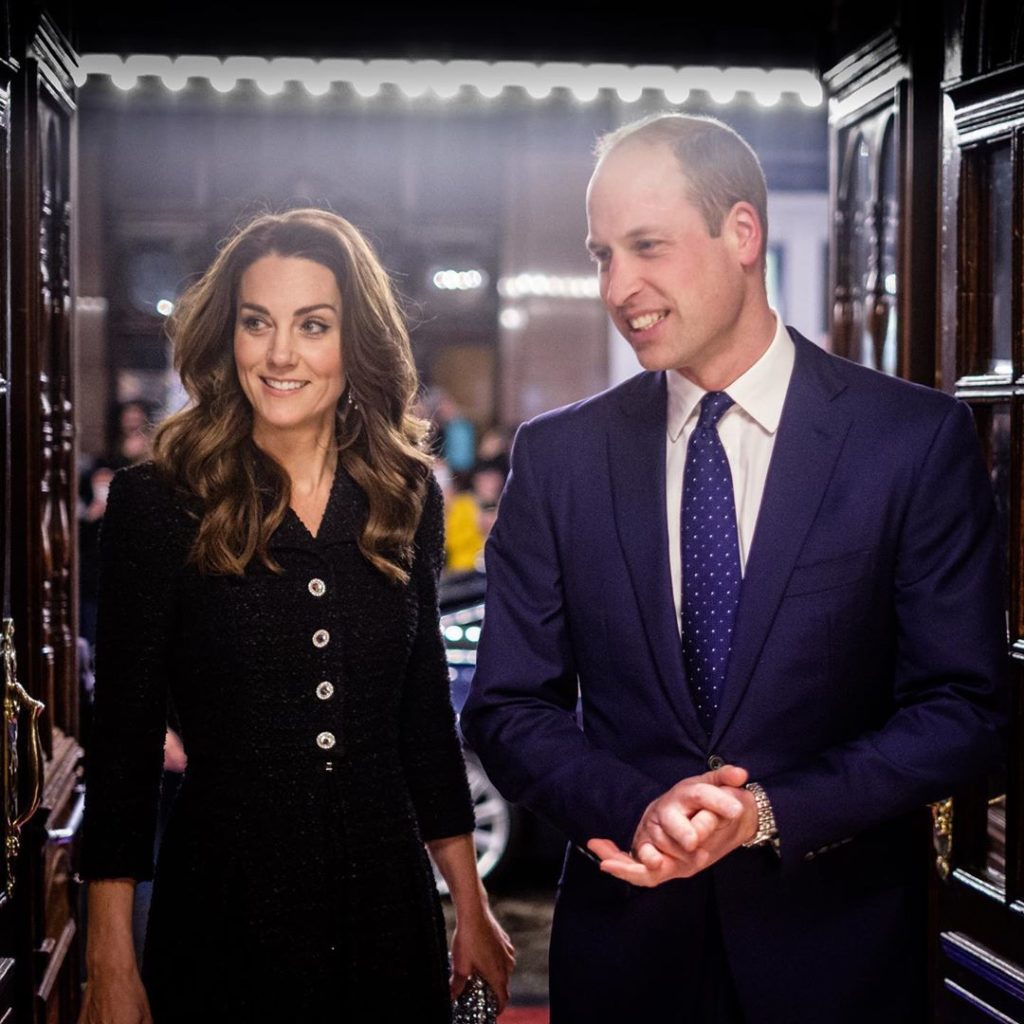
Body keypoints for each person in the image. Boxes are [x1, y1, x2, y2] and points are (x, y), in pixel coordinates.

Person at [460, 114, 1007, 1023]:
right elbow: (508, 707)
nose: (618, 287)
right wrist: (640, 808)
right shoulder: (559, 458)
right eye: (602, 255)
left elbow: (965, 709)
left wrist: (768, 812)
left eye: (647, 247)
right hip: (626, 965)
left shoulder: (909, 441)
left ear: (742, 233)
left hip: (840, 963)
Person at [78, 208, 514, 1024]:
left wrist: (470, 899)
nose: (280, 354)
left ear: (355, 343)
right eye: (257, 323)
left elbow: (422, 717)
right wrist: (108, 951)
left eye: (313, 325)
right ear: (228, 335)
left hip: (386, 909)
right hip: (221, 907)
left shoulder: (404, 497)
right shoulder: (157, 504)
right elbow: (124, 741)